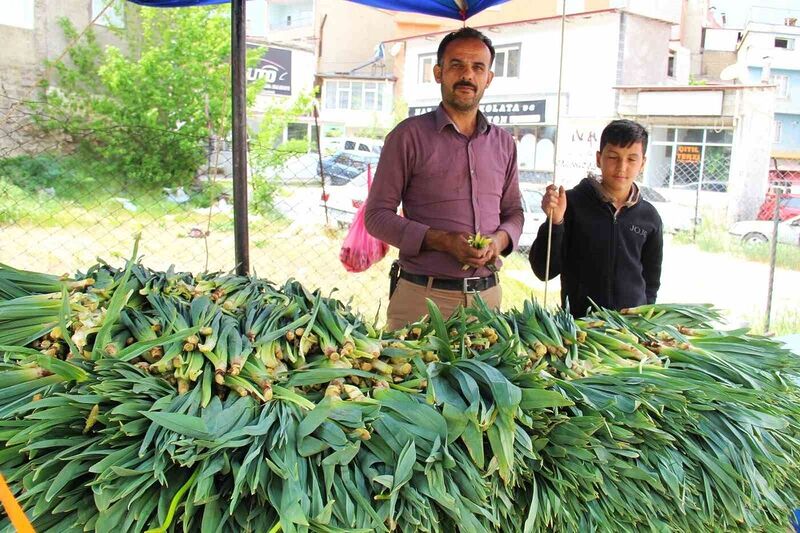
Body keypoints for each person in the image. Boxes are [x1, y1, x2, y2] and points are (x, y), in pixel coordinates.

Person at [364, 27, 523, 331]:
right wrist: (441, 240)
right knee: (413, 379)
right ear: (438, 73)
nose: (467, 75)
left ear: (488, 78)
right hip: (421, 299)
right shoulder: (407, 136)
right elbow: (376, 217)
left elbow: (514, 213)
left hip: (487, 301)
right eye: (456, 65)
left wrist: (498, 241)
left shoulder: (504, 143)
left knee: (483, 380)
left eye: (478, 67)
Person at [529, 119, 663, 317]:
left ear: (643, 163)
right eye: (613, 157)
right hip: (581, 328)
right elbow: (544, 271)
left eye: (631, 159)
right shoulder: (570, 204)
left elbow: (651, 280)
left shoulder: (649, 217)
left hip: (630, 330)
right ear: (599, 158)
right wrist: (555, 222)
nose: (622, 167)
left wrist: (643, 314)